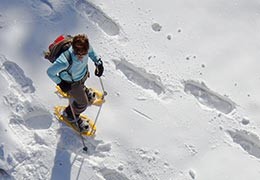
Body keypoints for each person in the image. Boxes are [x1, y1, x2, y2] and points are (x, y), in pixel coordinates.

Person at [47, 34, 104, 132]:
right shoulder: (64, 60)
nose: (82, 57)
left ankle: (83, 90)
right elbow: (50, 72)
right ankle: (70, 114)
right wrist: (61, 83)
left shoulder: (86, 47)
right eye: (79, 55)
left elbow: (91, 52)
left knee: (82, 83)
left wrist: (98, 62)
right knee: (82, 103)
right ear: (73, 49)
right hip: (71, 83)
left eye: (84, 54)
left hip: (81, 75)